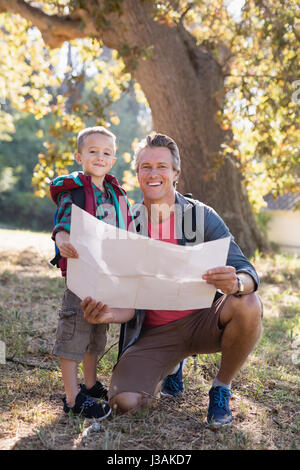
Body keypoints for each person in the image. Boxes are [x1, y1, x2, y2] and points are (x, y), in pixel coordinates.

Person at [81, 133, 263, 427]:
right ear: (137, 173)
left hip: (203, 319)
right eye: (146, 166)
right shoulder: (125, 223)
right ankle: (171, 366)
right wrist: (107, 314)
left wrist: (235, 284)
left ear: (175, 173)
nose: (154, 174)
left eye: (162, 167)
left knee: (248, 303)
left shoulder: (201, 216)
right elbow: (124, 296)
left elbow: (247, 271)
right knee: (124, 404)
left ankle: (221, 387)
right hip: (153, 333)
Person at [50, 126, 135, 420]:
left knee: (98, 331)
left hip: (107, 276)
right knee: (75, 331)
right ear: (79, 156)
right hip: (81, 275)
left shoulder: (115, 193)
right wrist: (62, 240)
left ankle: (89, 384)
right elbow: (62, 221)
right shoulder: (74, 191)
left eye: (106, 153)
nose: (100, 157)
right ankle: (73, 398)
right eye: (93, 151)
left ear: (113, 160)